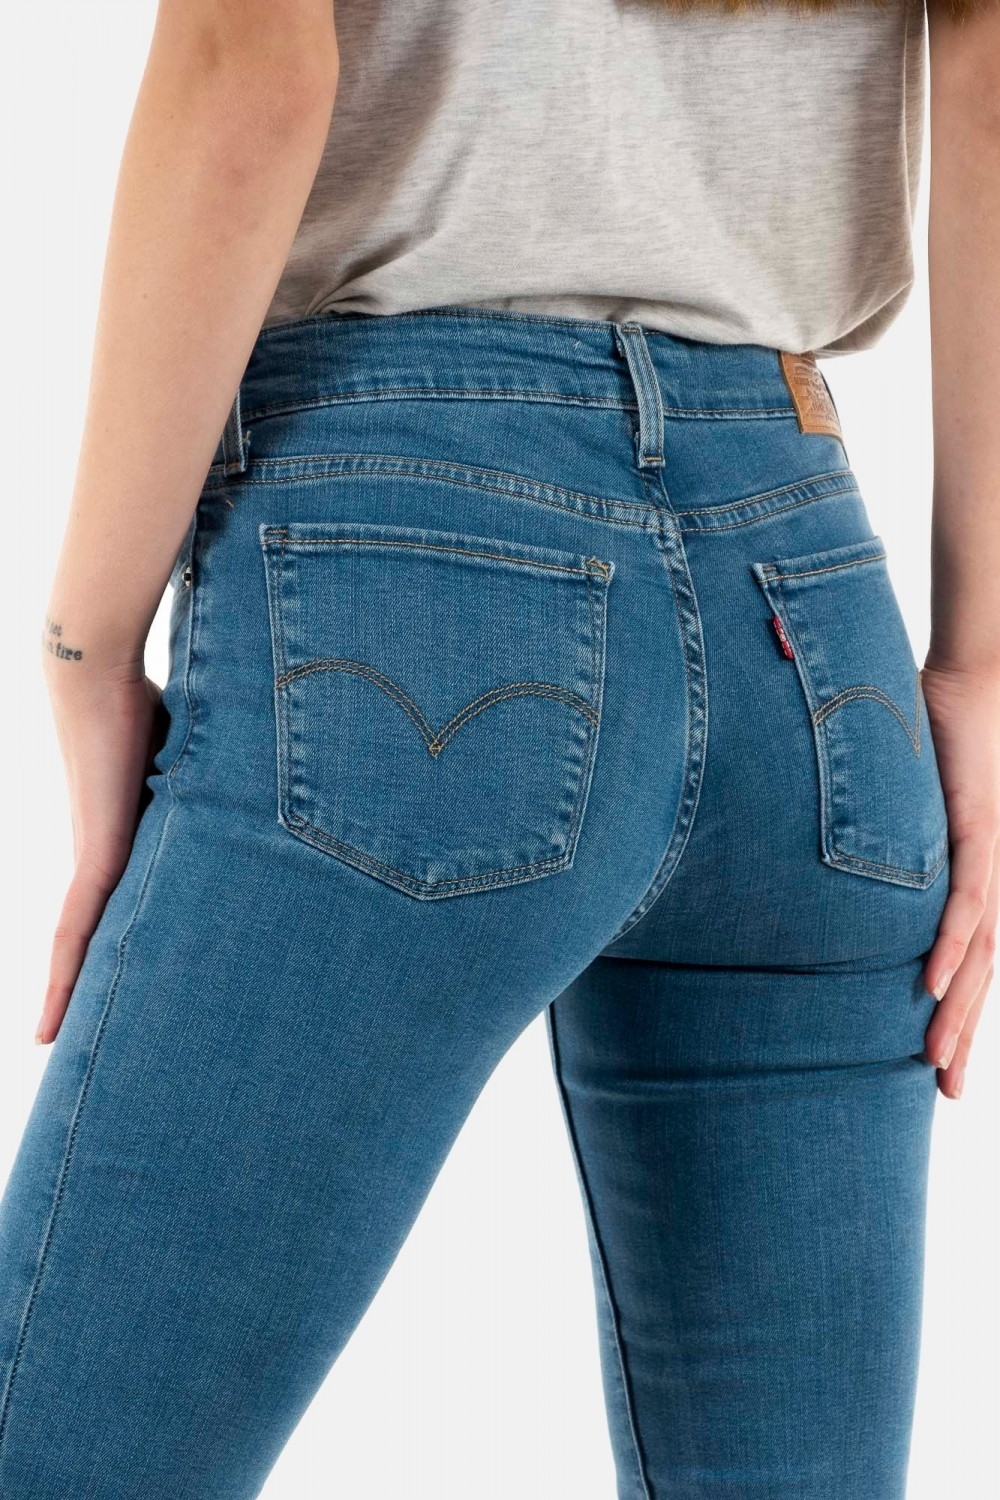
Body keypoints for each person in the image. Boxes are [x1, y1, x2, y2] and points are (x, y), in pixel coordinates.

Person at [1, 0, 997, 1495]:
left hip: (407, 541)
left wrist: (84, 650)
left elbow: (246, 69)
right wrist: (979, 666)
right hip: (808, 615)